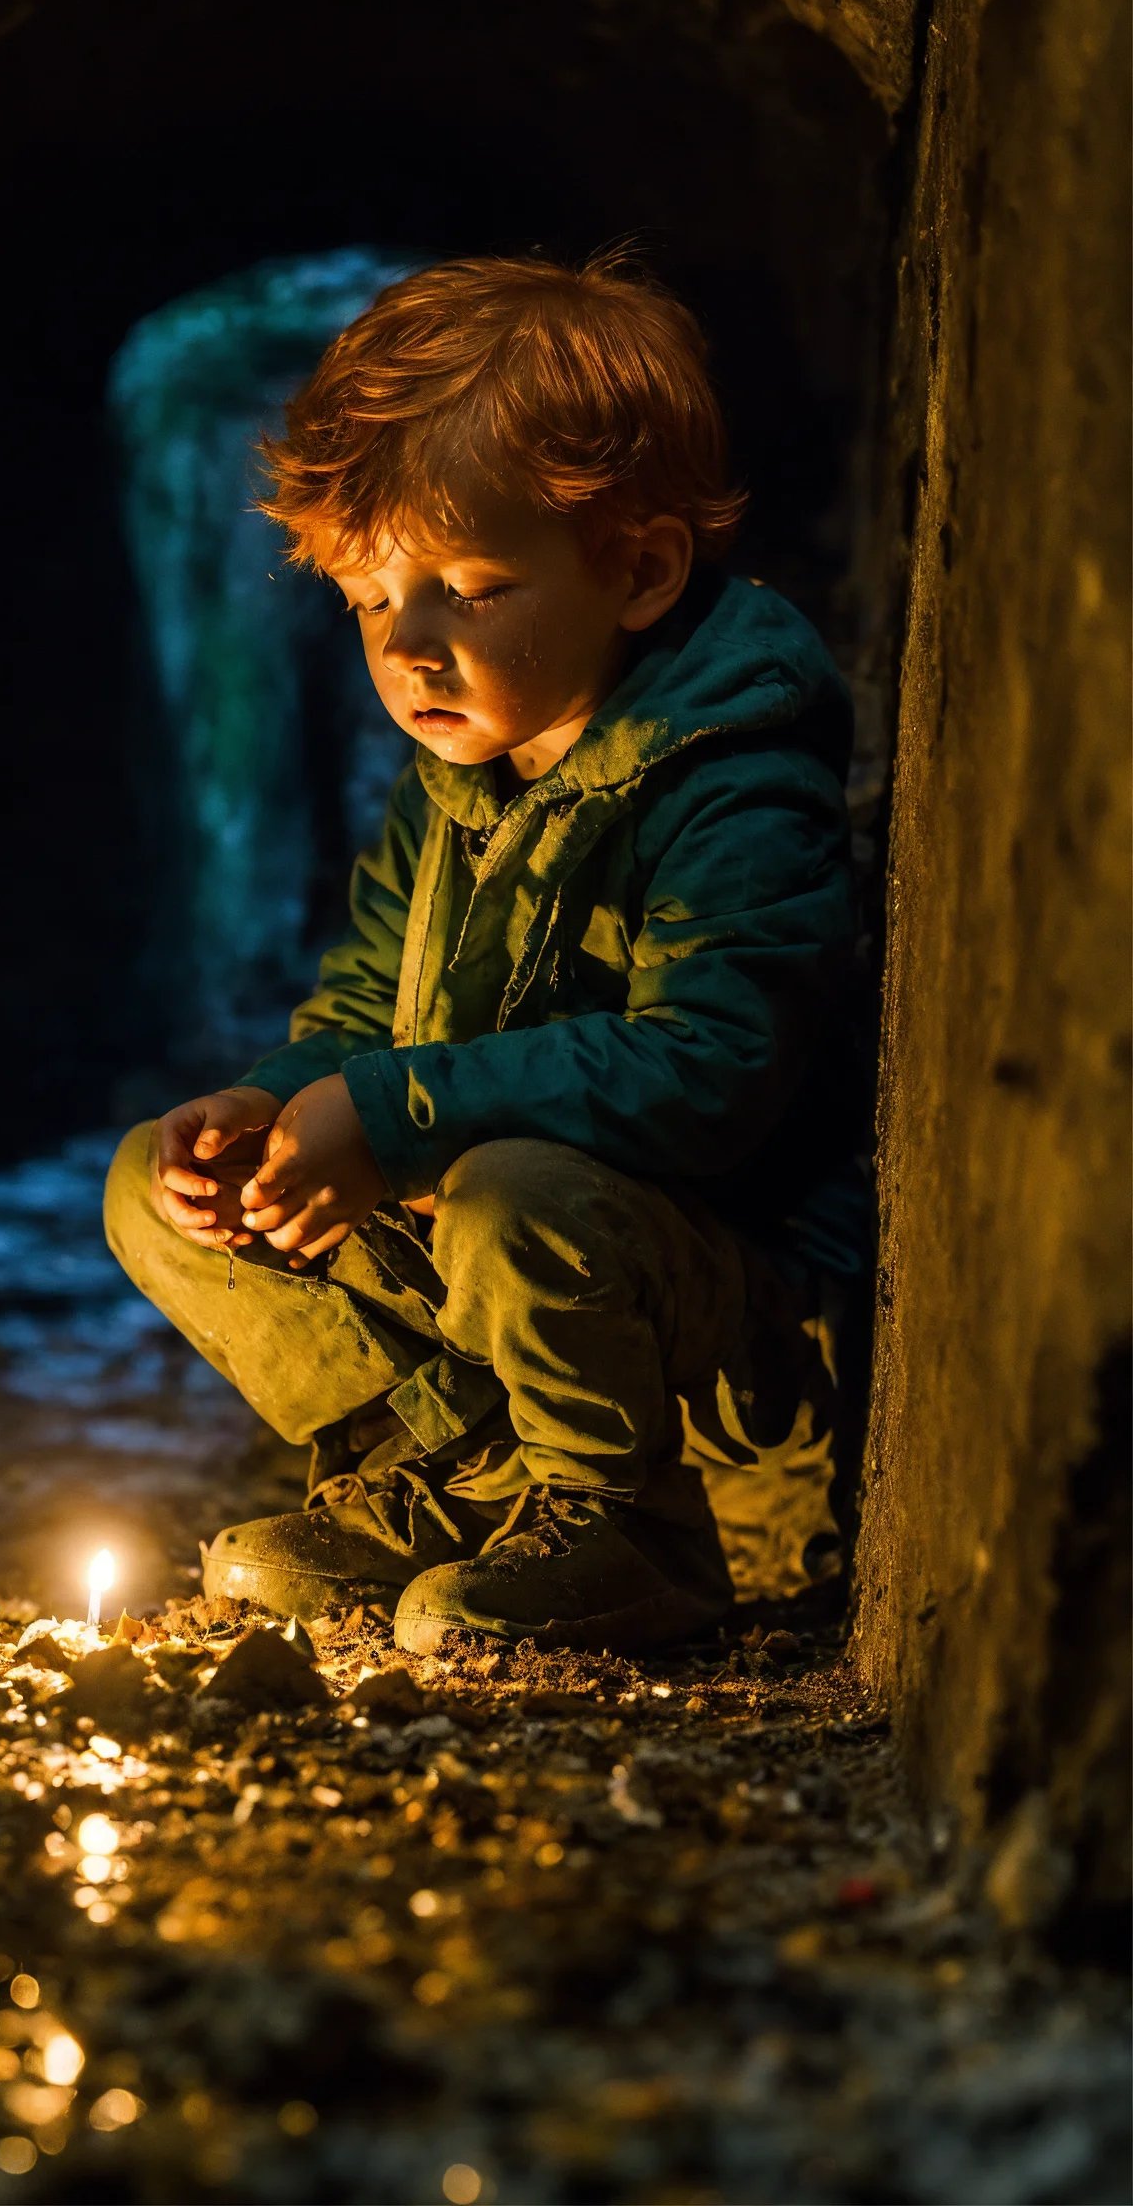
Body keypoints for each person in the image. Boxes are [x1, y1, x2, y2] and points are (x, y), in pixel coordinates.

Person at [104, 252, 862, 1654]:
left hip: (718, 1280)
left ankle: (625, 1528)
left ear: (637, 571)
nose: (413, 649)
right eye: (374, 597)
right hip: (498, 1230)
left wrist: (399, 1118)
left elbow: (713, 1072)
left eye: (469, 586)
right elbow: (363, 1005)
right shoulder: (457, 785)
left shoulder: (733, 787)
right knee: (153, 1186)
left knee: (518, 1198)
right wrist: (277, 1106)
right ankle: (454, 1477)